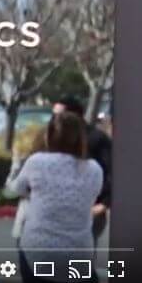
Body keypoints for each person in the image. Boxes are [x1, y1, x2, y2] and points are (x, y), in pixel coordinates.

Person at [10, 112, 103, 283]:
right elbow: (91, 196)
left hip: (38, 250)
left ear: (49, 136)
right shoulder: (94, 169)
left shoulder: (36, 162)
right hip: (78, 252)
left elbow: (17, 188)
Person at [53, 95, 112, 246]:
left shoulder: (97, 139)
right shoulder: (54, 138)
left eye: (59, 115)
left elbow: (111, 172)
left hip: (89, 210)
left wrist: (104, 204)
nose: (54, 119)